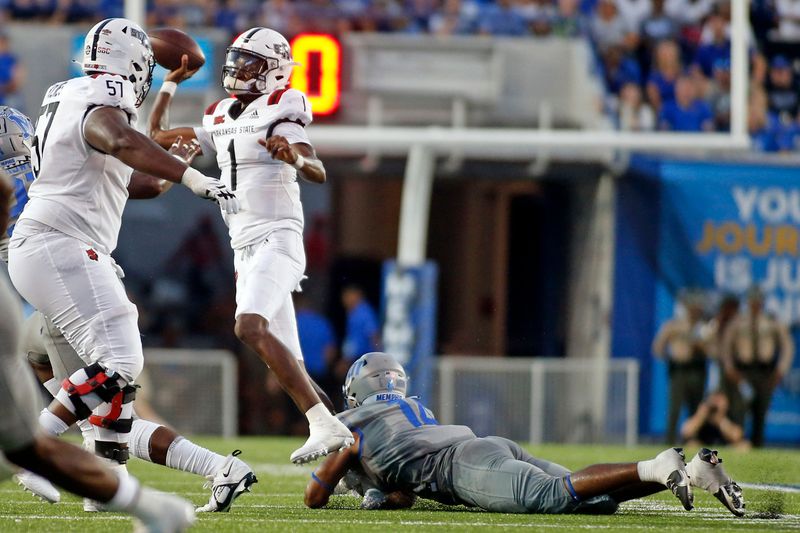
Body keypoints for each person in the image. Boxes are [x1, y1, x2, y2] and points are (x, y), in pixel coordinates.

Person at [6, 17, 239, 497]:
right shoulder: (100, 97)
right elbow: (120, 139)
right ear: (130, 64)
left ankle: (109, 484)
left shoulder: (68, 100)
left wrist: (179, 161)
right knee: (120, 363)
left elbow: (141, 178)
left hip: (51, 250)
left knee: (111, 400)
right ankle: (33, 454)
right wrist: (194, 179)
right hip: (61, 246)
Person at [147, 26, 353, 464]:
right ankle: (358, 463)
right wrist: (168, 83)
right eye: (236, 60)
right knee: (293, 369)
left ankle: (321, 423)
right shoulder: (219, 113)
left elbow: (315, 168)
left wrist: (293, 155)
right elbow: (158, 134)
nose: (238, 69)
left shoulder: (284, 104)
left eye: (249, 62)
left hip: (277, 237)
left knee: (248, 327)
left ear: (274, 71)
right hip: (244, 249)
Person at [0, 114, 195, 533]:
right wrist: (177, 164)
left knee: (106, 398)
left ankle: (116, 487)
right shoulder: (48, 170)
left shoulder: (38, 178)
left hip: (32, 305)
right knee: (115, 381)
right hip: (42, 307)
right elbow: (143, 184)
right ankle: (60, 457)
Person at [304, 352, 745, 518]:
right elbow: (404, 489)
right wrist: (378, 491)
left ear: (356, 392)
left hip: (463, 466)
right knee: (596, 501)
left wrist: (341, 474)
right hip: (484, 446)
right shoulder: (415, 407)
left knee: (554, 496)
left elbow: (314, 498)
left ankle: (657, 464)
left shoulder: (352, 425)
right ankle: (692, 471)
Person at [721, 287, 794, 447]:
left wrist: (781, 369)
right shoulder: (739, 321)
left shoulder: (771, 321)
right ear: (748, 301)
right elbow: (727, 346)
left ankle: (757, 444)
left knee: (761, 410)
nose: (755, 303)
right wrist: (729, 368)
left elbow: (787, 345)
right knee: (739, 408)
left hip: (765, 371)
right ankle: (737, 443)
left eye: (758, 300)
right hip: (744, 371)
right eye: (752, 300)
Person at [651, 292, 712, 444]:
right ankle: (670, 441)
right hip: (679, 370)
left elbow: (712, 350)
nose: (695, 310)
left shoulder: (704, 328)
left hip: (697, 369)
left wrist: (701, 346)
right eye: (692, 307)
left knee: (696, 407)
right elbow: (658, 347)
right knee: (675, 407)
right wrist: (671, 358)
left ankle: (693, 440)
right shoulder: (674, 325)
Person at [680, 391, 747, 449]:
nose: (716, 405)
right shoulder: (704, 415)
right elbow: (686, 432)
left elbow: (737, 436)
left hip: (726, 446)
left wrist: (720, 419)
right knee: (691, 445)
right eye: (715, 400)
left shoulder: (730, 414)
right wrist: (700, 415)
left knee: (744, 446)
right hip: (702, 448)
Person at [340, 284, 382, 363]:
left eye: (348, 296)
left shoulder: (364, 312)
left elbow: (374, 335)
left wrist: (377, 358)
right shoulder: (352, 313)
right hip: (356, 358)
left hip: (367, 358)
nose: (345, 300)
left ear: (357, 295)